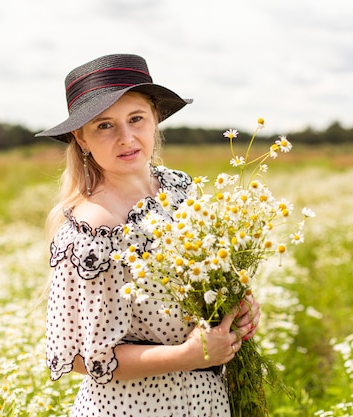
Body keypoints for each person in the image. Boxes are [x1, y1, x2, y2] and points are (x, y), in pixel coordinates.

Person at [37, 53, 260, 417]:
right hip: (134, 408)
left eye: (136, 118)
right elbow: (85, 358)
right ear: (81, 138)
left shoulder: (181, 189)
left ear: (155, 119)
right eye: (104, 126)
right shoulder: (92, 231)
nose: (126, 137)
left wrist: (239, 306)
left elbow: (211, 280)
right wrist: (189, 355)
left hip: (209, 400)